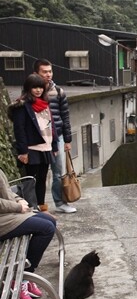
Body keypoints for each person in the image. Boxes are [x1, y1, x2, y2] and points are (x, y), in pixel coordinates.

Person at [1, 168, 57, 299]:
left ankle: (25, 277)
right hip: (4, 219)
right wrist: (17, 207)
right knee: (46, 229)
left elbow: (7, 191)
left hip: (8, 214)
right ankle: (21, 278)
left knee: (50, 221)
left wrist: (20, 200)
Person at [10, 74, 59, 213]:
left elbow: (52, 126)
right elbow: (19, 129)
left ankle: (42, 208)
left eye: (40, 87)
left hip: (46, 146)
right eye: (34, 87)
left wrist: (54, 145)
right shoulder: (22, 105)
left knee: (43, 178)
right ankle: (32, 208)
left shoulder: (45, 103)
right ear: (28, 88)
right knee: (30, 180)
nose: (38, 90)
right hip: (31, 148)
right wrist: (23, 151)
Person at [34, 59, 77, 214]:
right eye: (44, 71)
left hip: (56, 137)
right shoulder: (31, 92)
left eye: (50, 71)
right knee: (39, 174)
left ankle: (60, 202)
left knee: (58, 173)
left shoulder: (58, 91)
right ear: (36, 73)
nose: (48, 74)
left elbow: (65, 117)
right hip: (37, 140)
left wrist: (67, 140)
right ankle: (38, 205)